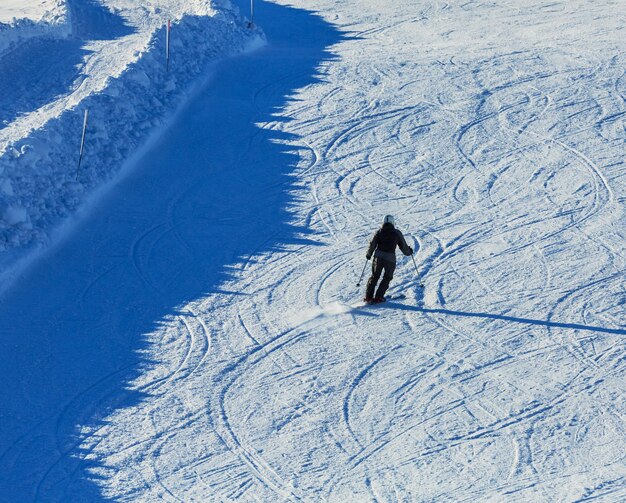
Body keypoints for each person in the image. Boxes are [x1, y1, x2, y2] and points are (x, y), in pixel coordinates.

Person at [364, 215, 414, 304]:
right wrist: (409, 252)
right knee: (387, 277)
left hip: (378, 257)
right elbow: (403, 246)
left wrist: (369, 254)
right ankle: (379, 297)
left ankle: (368, 297)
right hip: (390, 259)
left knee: (375, 276)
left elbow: (373, 244)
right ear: (393, 222)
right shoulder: (397, 232)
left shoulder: (379, 232)